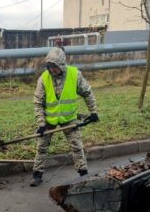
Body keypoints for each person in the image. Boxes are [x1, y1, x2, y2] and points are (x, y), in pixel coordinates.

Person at [30, 47, 99, 187]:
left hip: (69, 119)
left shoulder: (75, 74)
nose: (52, 70)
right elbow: (38, 103)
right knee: (41, 146)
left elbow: (87, 93)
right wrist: (41, 123)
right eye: (49, 67)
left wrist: (93, 112)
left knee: (76, 146)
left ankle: (83, 174)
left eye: (55, 67)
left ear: (62, 65)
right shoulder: (43, 78)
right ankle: (37, 173)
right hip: (49, 120)